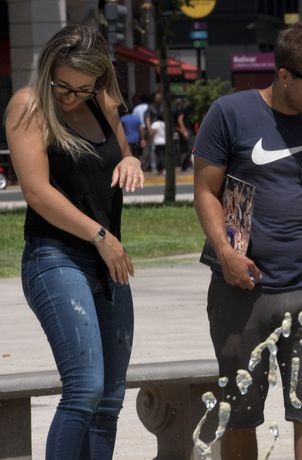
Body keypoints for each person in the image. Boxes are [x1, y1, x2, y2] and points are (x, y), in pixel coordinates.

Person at [193, 21, 302, 460]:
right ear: (283, 75)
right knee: (239, 416)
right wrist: (226, 253)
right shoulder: (230, 113)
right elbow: (205, 191)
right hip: (242, 290)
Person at [4, 24, 143, 458]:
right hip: (55, 257)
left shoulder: (102, 103)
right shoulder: (28, 106)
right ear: (48, 69)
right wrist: (100, 235)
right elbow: (37, 192)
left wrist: (134, 160)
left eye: (81, 89)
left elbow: (121, 152)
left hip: (107, 262)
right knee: (85, 388)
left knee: (109, 402)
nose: (69, 96)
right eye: (62, 85)